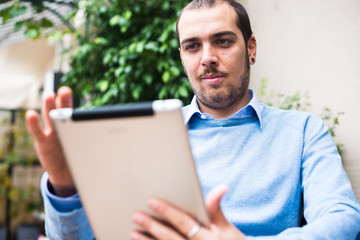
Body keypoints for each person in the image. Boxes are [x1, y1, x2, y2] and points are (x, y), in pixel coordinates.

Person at [26, 0, 360, 239]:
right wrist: (64, 187)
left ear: (251, 47)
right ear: (182, 57)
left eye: (223, 41)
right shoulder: (145, 136)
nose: (208, 59)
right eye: (192, 47)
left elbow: (343, 220)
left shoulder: (302, 131)